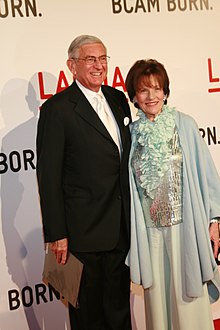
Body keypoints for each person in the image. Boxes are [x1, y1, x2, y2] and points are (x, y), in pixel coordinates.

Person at [36, 35, 132, 330]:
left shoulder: (118, 99)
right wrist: (57, 234)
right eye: (90, 59)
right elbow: (48, 176)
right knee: (88, 317)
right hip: (81, 236)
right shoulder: (57, 110)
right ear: (72, 66)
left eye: (103, 58)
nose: (98, 65)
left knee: (119, 312)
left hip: (120, 230)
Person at [125, 59, 220, 330]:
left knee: (189, 302)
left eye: (157, 89)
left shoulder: (185, 124)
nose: (151, 96)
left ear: (166, 92)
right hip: (150, 232)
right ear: (134, 96)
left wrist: (215, 220)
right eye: (143, 90)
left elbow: (207, 174)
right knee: (158, 305)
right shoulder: (131, 134)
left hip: (185, 229)